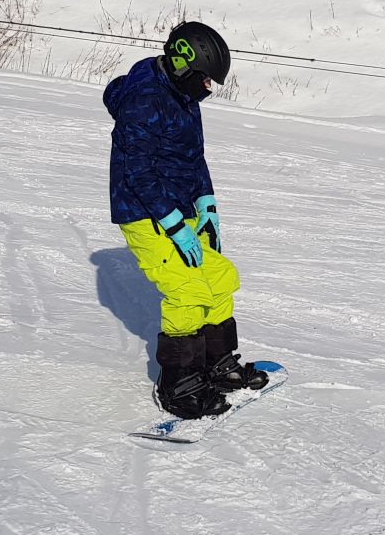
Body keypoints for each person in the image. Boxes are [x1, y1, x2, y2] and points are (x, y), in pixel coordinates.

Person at [103, 21, 268, 419]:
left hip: (181, 209)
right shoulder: (145, 101)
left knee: (220, 277)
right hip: (146, 214)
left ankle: (216, 364)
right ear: (182, 65)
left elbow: (194, 157)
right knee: (187, 292)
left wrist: (206, 202)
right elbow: (138, 172)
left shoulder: (183, 95)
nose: (209, 88)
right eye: (206, 79)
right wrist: (174, 225)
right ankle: (178, 382)